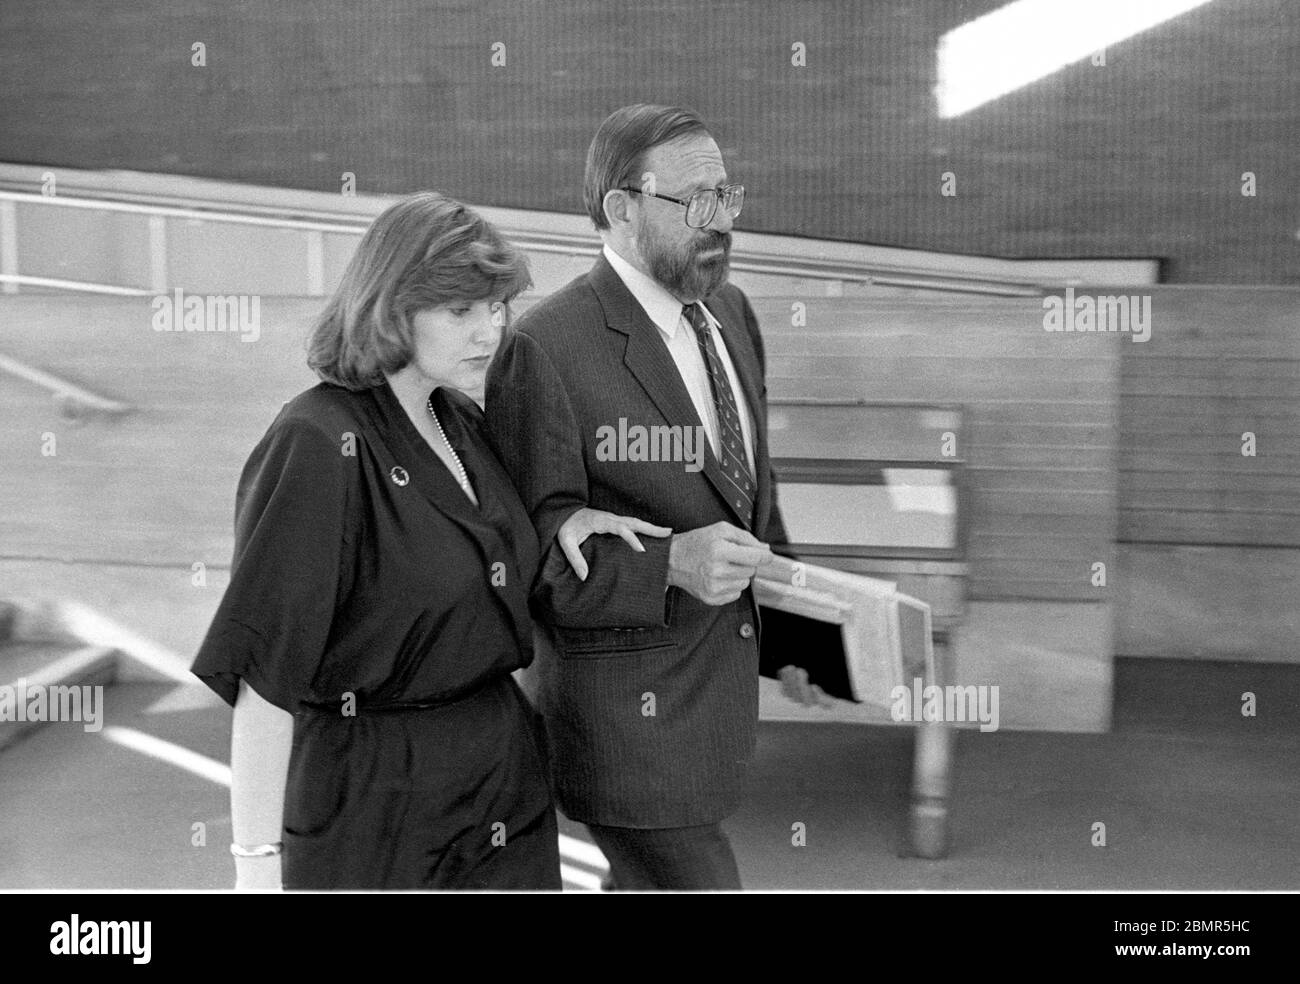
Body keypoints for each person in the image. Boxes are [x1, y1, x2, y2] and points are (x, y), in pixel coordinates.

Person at [191, 191, 662, 890]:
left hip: (500, 770)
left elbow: (486, 560)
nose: (490, 333)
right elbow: (265, 680)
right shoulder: (318, 441)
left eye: (497, 308)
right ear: (391, 308)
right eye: (461, 310)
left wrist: (565, 520)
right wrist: (255, 868)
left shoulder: (462, 423)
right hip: (373, 789)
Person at [486, 105, 824, 891]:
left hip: (711, 705)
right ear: (622, 207)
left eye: (727, 198)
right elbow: (534, 560)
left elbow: (749, 492)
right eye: (695, 201)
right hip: (622, 726)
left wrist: (800, 633)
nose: (721, 222)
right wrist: (670, 563)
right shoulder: (546, 346)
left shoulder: (732, 313)